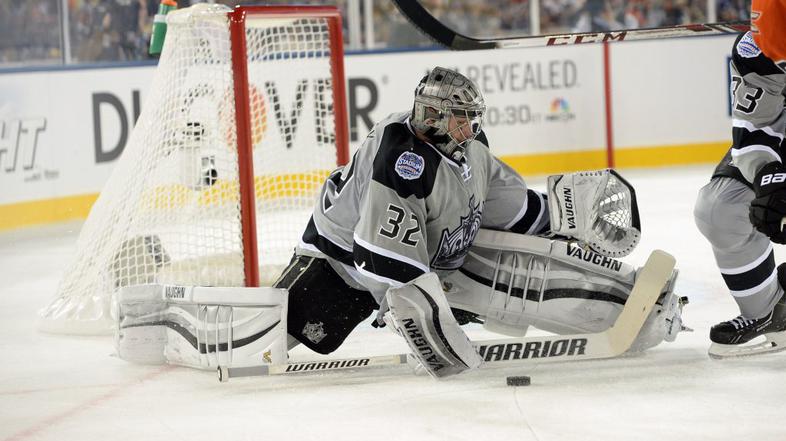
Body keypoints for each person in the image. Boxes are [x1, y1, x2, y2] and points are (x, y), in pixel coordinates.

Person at [275, 67, 550, 378]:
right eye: (461, 116)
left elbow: (502, 200)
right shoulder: (403, 160)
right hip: (336, 260)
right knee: (274, 337)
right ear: (433, 116)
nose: (470, 127)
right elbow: (379, 255)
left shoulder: (467, 147)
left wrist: (552, 217)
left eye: (471, 116)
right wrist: (420, 316)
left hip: (399, 256)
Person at [694, 0, 786, 358]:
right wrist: (769, 177)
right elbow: (755, 131)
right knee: (720, 209)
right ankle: (769, 311)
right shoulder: (757, 52)